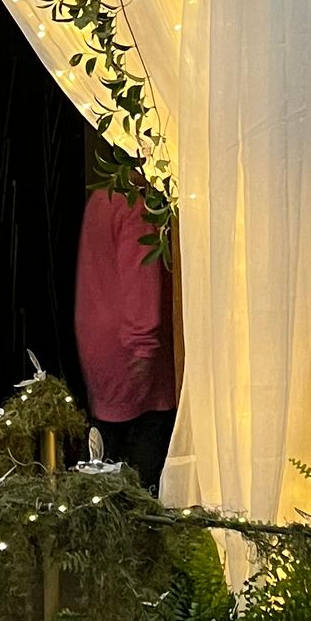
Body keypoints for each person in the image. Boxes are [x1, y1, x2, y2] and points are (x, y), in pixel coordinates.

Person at [73, 182, 177, 492]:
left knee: (105, 452)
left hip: (98, 341)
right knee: (143, 466)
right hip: (132, 349)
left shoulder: (101, 199)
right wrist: (144, 345)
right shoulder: (136, 208)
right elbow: (140, 280)